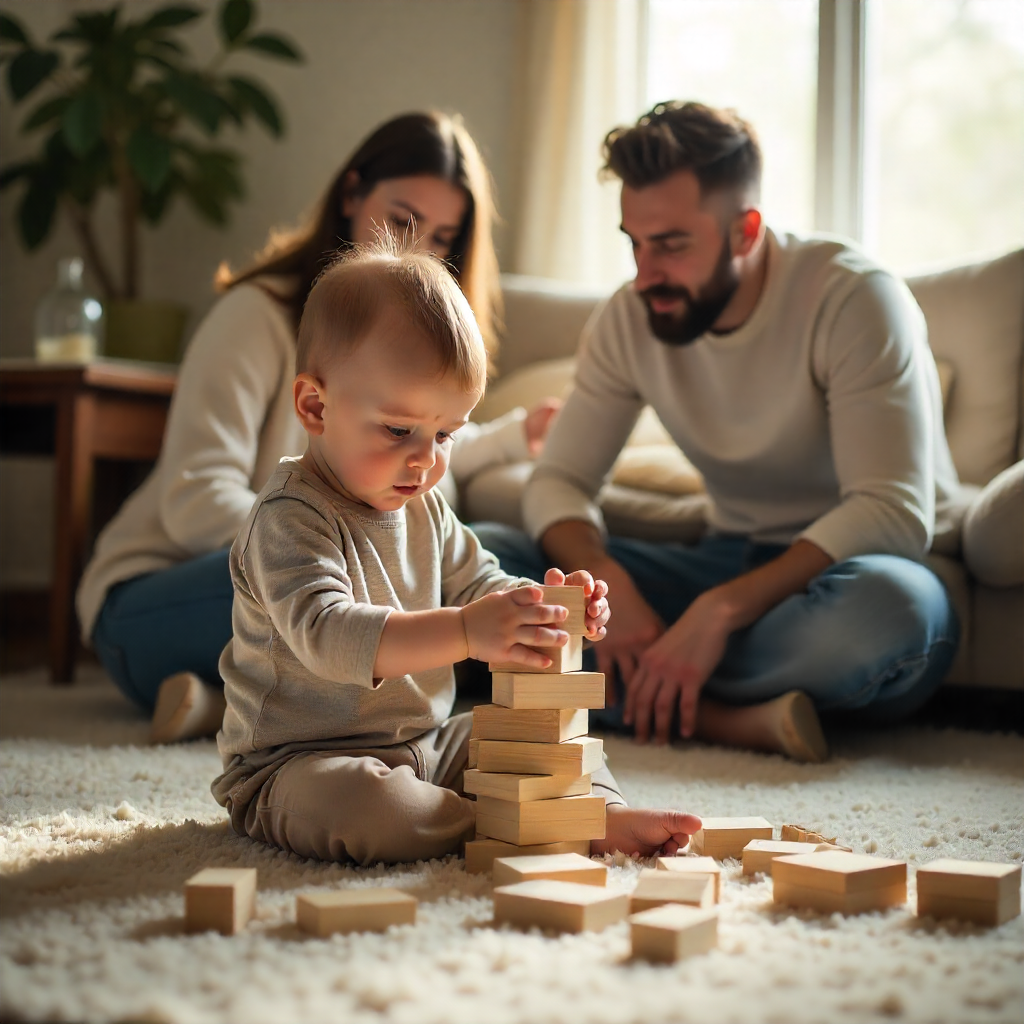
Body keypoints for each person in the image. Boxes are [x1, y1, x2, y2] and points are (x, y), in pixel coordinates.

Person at [473, 101, 961, 762]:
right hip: (724, 557)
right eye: (634, 243)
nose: (645, 274)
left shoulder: (852, 299)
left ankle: (625, 690)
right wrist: (605, 579)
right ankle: (722, 716)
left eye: (671, 245)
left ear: (745, 231)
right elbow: (559, 478)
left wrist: (718, 614)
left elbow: (893, 511)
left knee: (893, 612)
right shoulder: (629, 317)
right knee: (478, 560)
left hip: (845, 573)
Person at [211, 239, 702, 865]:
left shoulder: (425, 504)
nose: (425, 459)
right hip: (297, 765)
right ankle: (518, 824)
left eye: (445, 433)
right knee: (379, 813)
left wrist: (541, 607)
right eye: (398, 430)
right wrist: (470, 631)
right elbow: (330, 635)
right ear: (315, 405)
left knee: (550, 745)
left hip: (428, 744)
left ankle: (593, 813)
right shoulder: (287, 517)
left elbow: (480, 583)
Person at [76, 112, 559, 743]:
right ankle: (213, 687)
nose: (426, 251)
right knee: (363, 602)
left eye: (444, 235)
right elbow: (194, 502)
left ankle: (218, 702)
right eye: (407, 221)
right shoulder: (255, 316)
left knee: (506, 557)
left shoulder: (411, 413)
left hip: (320, 594)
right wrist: (338, 545)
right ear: (351, 193)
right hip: (157, 594)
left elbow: (420, 440)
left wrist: (512, 438)